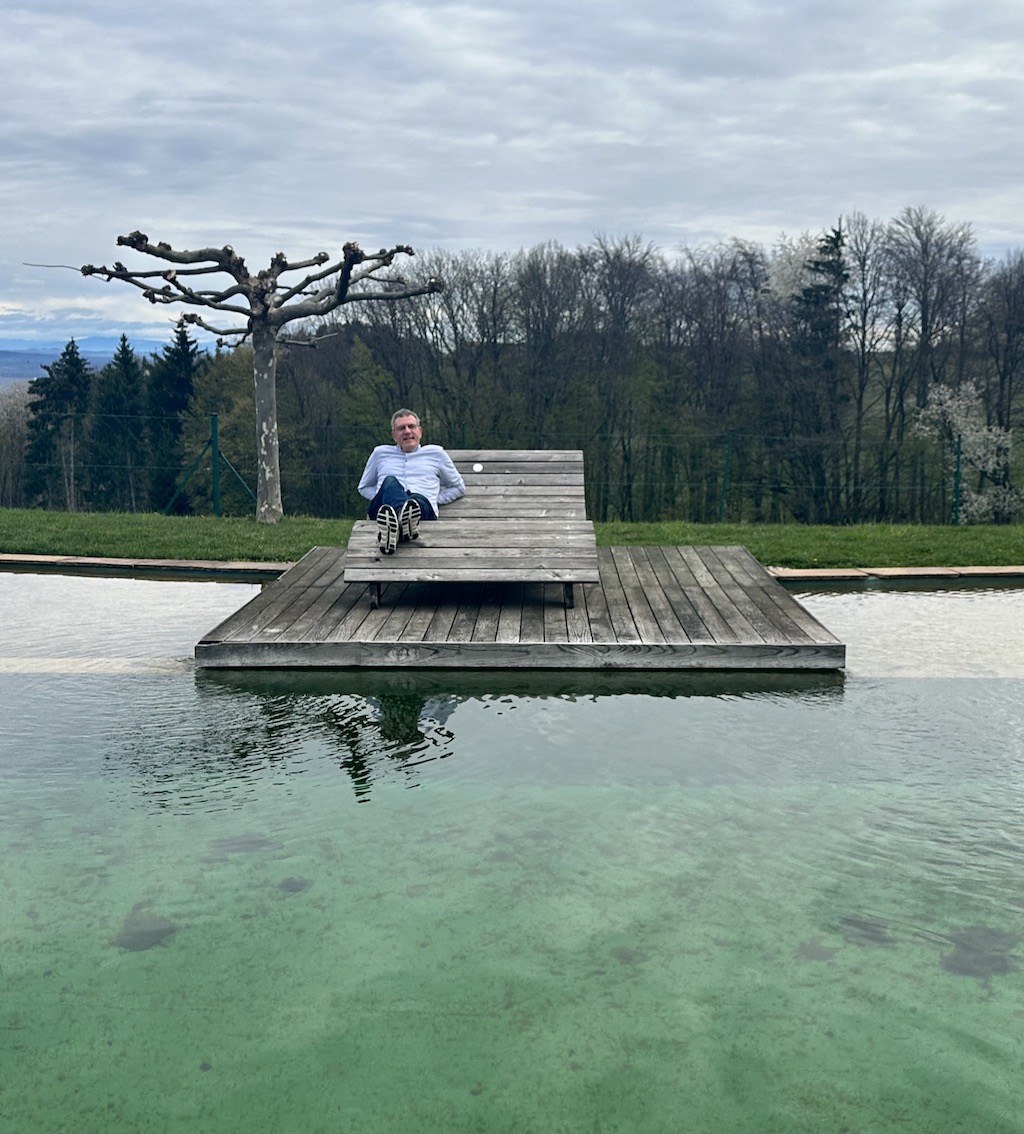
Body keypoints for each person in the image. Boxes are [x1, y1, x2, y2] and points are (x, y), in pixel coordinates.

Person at [357, 409, 466, 555]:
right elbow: (364, 487)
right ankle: (401, 523)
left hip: (421, 508)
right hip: (384, 509)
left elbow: (458, 487)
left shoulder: (436, 453)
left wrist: (434, 499)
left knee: (415, 500)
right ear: (394, 435)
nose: (407, 431)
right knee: (390, 481)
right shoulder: (380, 453)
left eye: (411, 427)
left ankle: (393, 531)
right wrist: (384, 495)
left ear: (420, 431)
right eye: (401, 428)